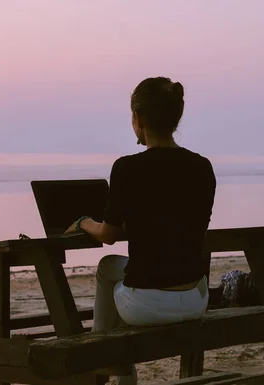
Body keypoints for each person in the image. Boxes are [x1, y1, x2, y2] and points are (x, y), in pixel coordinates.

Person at [65, 77, 217, 385]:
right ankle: (117, 372)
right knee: (123, 280)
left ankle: (105, 363)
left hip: (149, 306)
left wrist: (83, 222)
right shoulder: (203, 167)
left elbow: (108, 234)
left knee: (108, 268)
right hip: (196, 298)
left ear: (140, 118)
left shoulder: (127, 169)